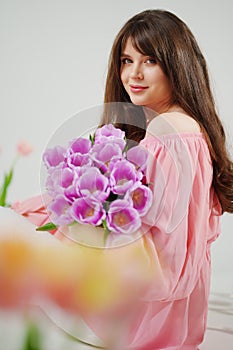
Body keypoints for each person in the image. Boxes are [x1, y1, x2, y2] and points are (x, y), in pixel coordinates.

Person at [12, 9, 233, 350]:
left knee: (15, 239)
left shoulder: (167, 130)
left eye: (150, 60)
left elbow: (159, 248)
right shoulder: (191, 126)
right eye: (126, 60)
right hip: (182, 319)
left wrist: (75, 229)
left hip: (143, 317)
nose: (134, 74)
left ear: (178, 64)